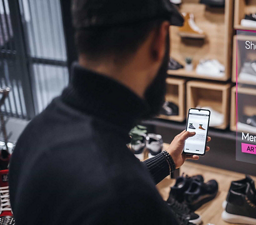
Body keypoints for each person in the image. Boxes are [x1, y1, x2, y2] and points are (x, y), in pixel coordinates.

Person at [9, 0, 210, 224]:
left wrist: (167, 161)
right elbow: (114, 186)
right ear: (159, 40)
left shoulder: (33, 134)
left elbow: (86, 183)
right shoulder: (124, 194)